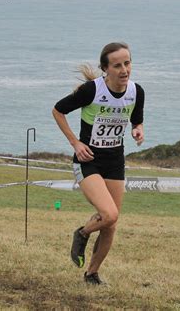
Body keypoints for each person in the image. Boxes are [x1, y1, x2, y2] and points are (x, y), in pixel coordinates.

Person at [52, 42, 145, 285]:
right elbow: (58, 111)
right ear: (105, 68)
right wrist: (75, 143)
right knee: (109, 214)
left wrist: (138, 130)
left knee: (111, 224)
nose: (124, 70)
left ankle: (92, 273)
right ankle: (82, 233)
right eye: (117, 65)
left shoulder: (136, 92)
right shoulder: (91, 90)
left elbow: (136, 121)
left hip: (115, 161)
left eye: (127, 63)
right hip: (88, 161)